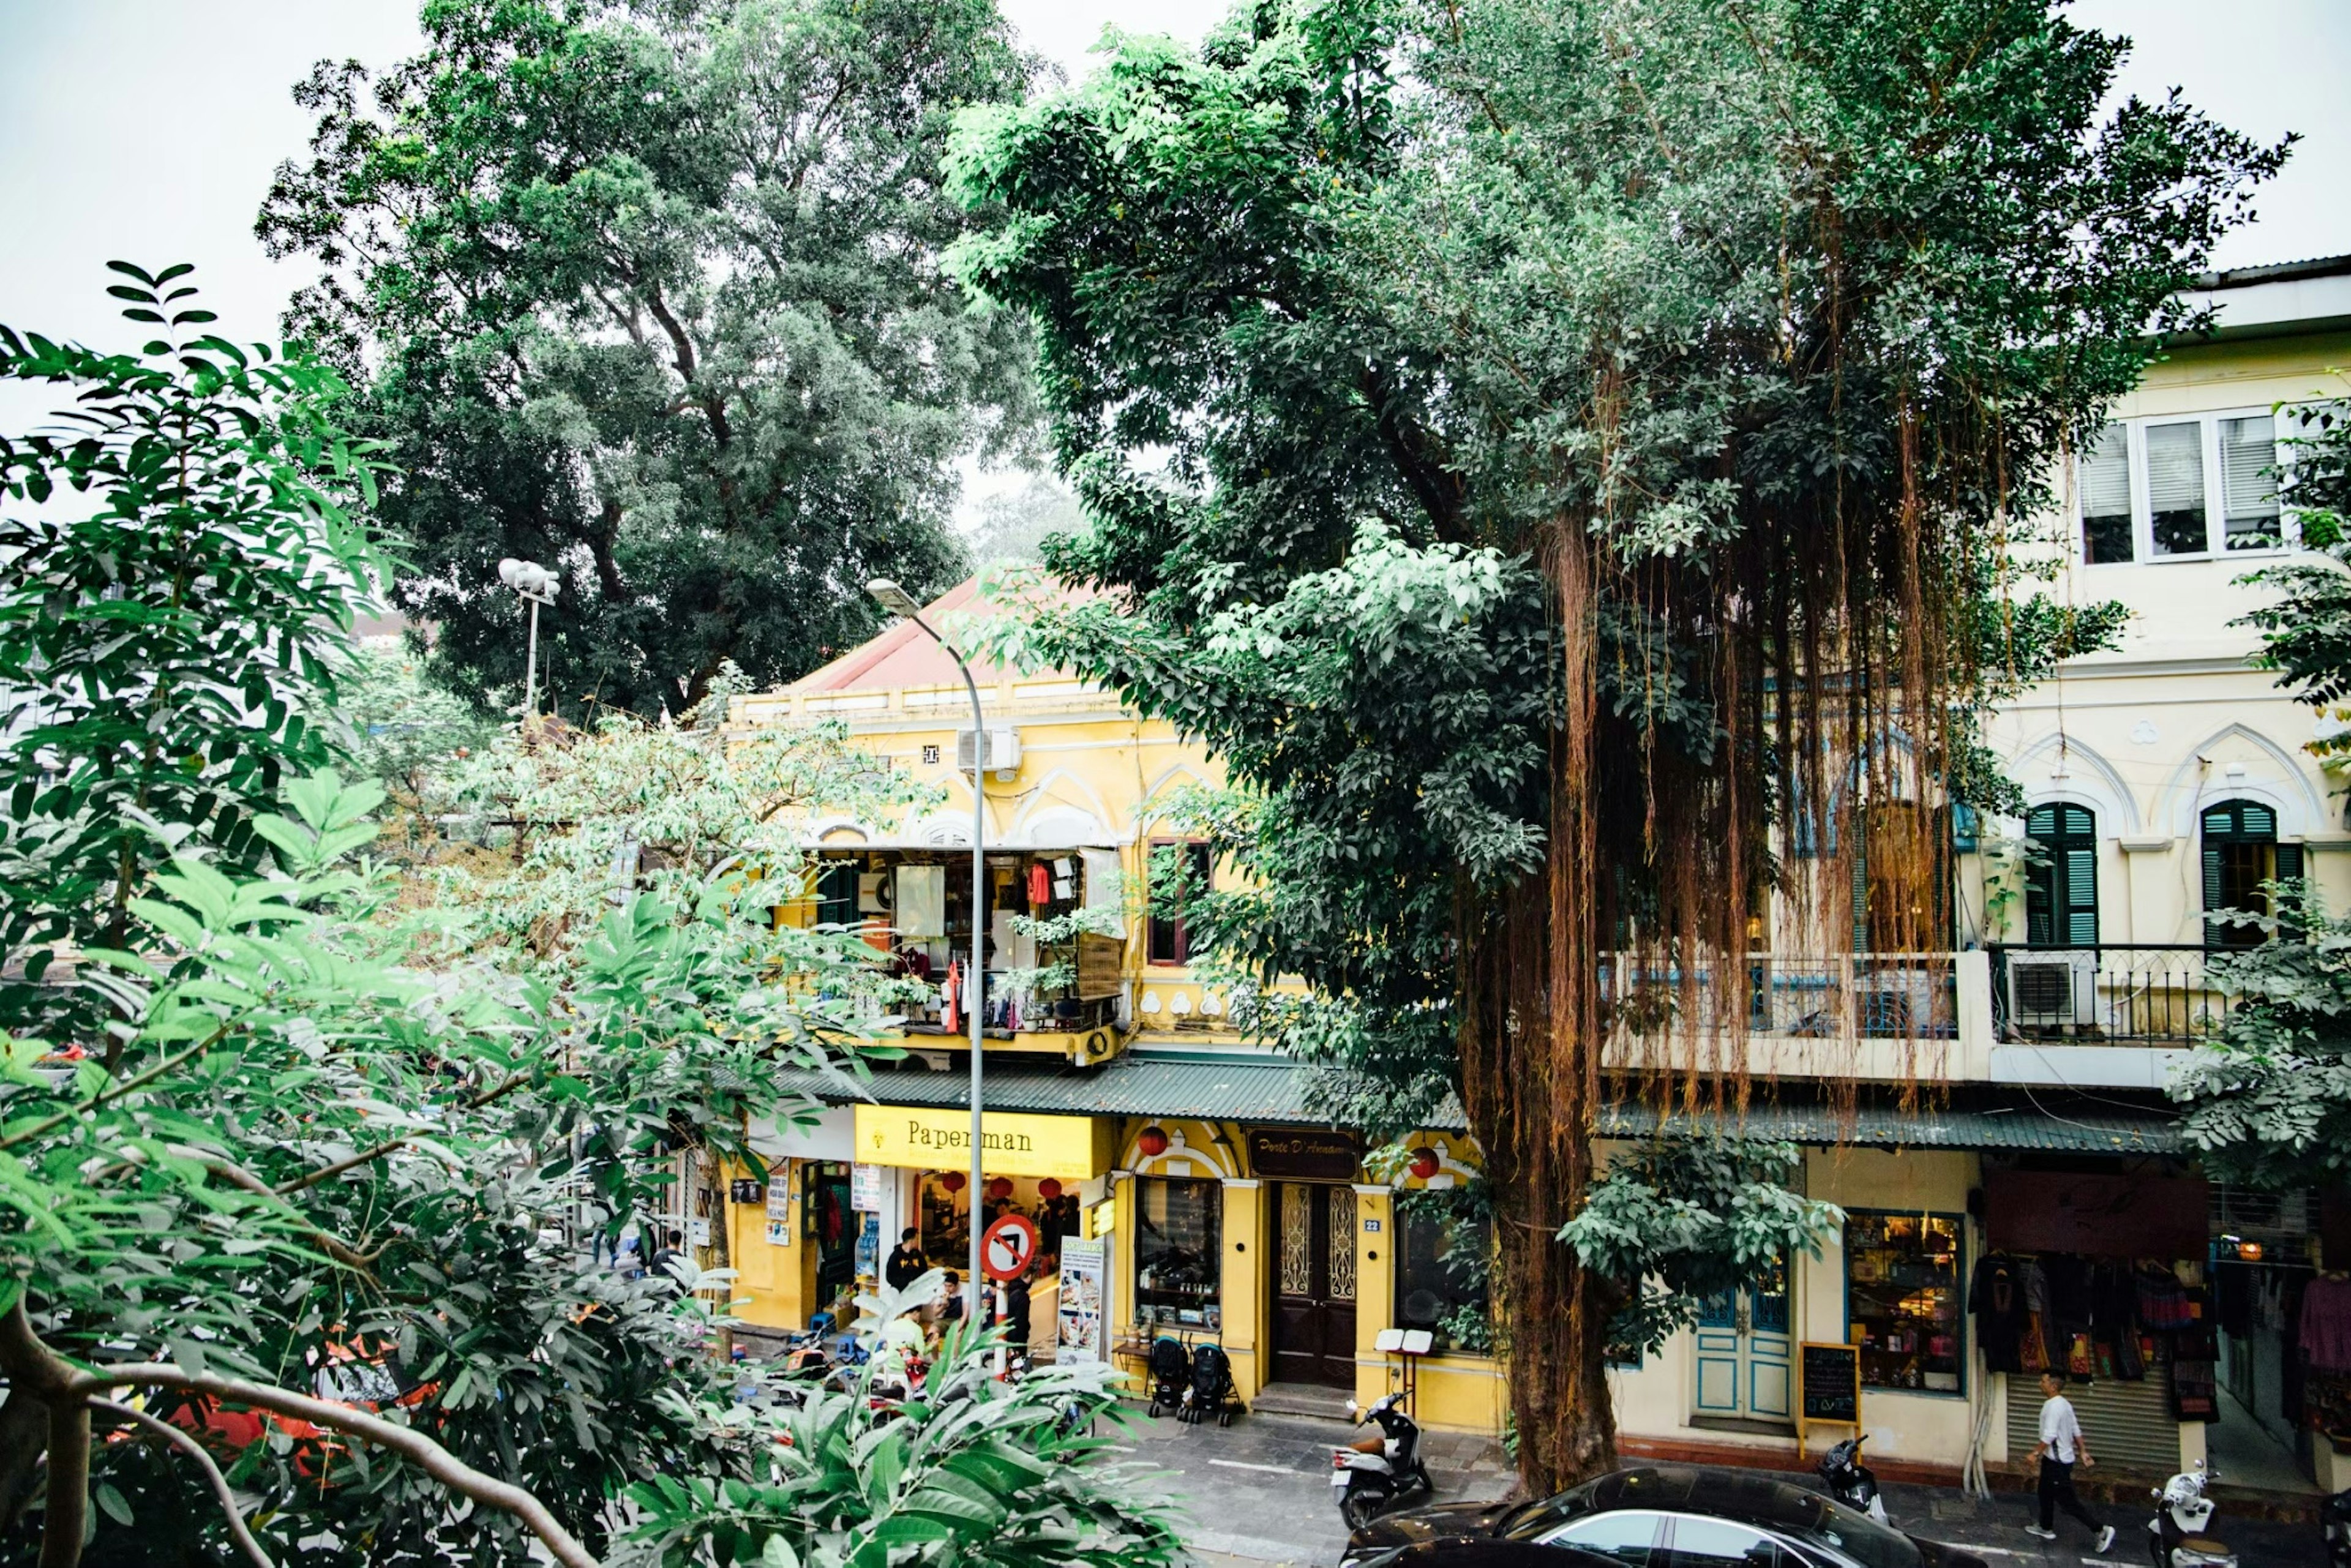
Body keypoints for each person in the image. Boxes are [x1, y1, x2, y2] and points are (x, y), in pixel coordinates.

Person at [2028, 1373, 2115, 1553]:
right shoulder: (2065, 1404)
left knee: (2068, 1502)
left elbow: (2050, 1434)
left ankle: (2100, 1530)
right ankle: (2045, 1527)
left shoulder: (2053, 1406)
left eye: (2043, 1381)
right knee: (2044, 1491)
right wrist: (2083, 1451)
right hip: (2055, 1459)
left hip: (2057, 1463)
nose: (2040, 1384)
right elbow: (2076, 1429)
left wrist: (2035, 1453)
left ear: (2053, 1386)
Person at [885, 1226, 928, 1292]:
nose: (918, 1241)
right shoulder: (895, 1256)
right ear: (911, 1241)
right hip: (900, 1293)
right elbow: (890, 1277)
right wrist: (905, 1282)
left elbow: (924, 1271)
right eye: (917, 1239)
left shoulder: (918, 1255)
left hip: (916, 1292)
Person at [647, 1228, 689, 1294]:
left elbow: (654, 1274)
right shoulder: (682, 1261)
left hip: (659, 1292)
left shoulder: (659, 1256)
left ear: (668, 1241)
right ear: (680, 1242)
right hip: (674, 1295)